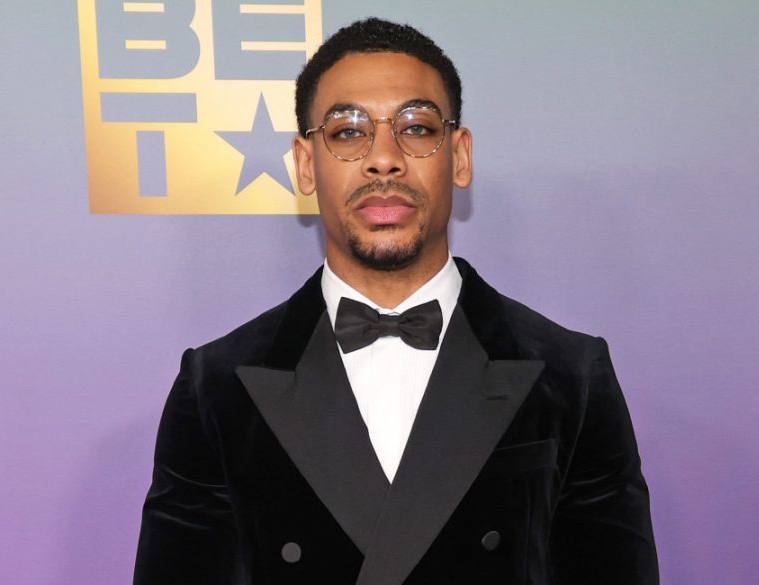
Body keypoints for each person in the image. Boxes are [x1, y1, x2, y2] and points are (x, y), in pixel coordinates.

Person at [133, 17, 659, 585]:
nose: (384, 158)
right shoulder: (217, 385)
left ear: (458, 155)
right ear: (306, 164)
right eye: (347, 131)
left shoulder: (570, 375)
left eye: (415, 127)